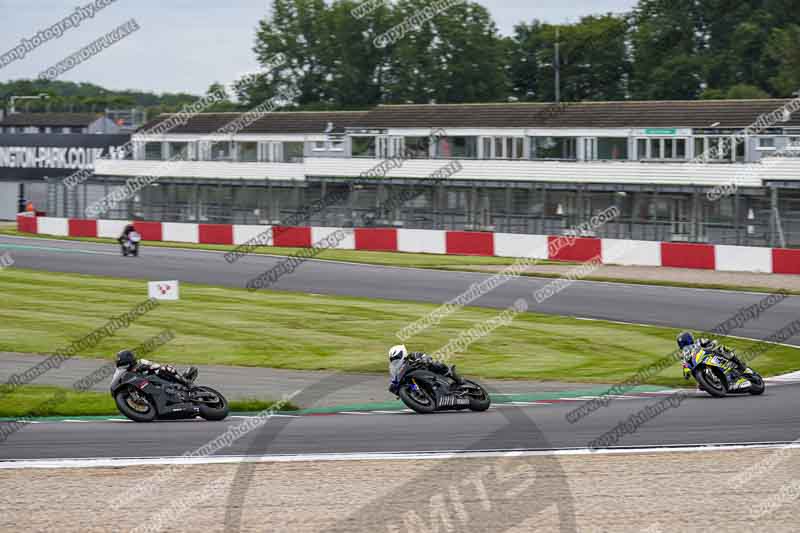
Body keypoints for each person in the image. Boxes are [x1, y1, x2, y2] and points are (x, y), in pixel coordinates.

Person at [387, 344, 462, 394]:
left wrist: (424, 360)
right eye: (393, 359)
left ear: (402, 353)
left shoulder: (412, 356)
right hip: (416, 380)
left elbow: (425, 357)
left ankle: (451, 374)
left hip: (427, 372)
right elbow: (394, 381)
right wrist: (393, 387)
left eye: (396, 357)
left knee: (435, 365)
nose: (395, 360)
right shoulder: (398, 369)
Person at [115, 350, 198, 386]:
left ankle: (185, 381)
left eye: (125, 365)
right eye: (122, 366)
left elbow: (156, 366)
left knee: (165, 368)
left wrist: (145, 368)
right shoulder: (123, 373)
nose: (124, 367)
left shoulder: (141, 362)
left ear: (130, 361)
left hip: (157, 380)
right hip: (145, 387)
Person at [676, 332, 747, 372]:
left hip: (709, 356)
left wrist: (711, 344)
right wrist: (686, 371)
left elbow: (711, 342)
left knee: (722, 348)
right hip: (700, 365)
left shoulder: (698, 341)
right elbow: (685, 366)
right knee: (700, 386)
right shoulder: (684, 354)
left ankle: (739, 363)